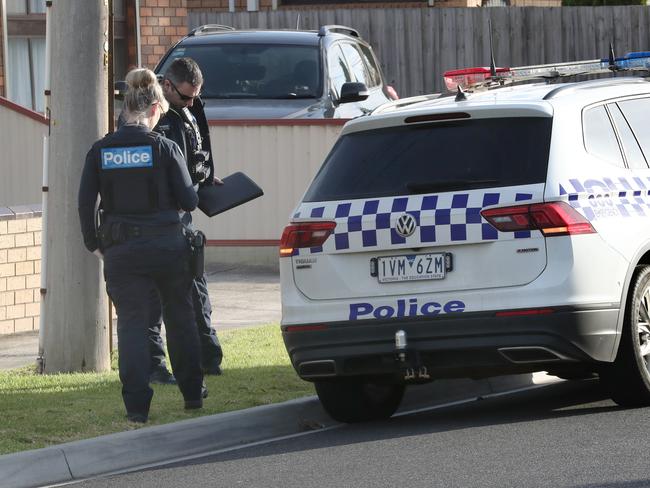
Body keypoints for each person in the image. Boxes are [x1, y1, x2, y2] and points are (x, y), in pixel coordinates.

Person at [78, 68, 205, 423]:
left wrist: (94, 245)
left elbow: (84, 202)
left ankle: (136, 409)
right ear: (153, 109)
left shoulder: (101, 150)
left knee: (132, 324)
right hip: (168, 247)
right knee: (180, 318)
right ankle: (192, 395)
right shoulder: (165, 147)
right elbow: (189, 201)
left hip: (122, 251)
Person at [147, 57, 224, 384]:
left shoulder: (187, 111)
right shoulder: (162, 122)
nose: (191, 102)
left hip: (184, 214)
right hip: (168, 218)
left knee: (196, 290)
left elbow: (193, 157)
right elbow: (169, 176)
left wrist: (206, 178)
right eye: (185, 97)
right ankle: (164, 365)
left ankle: (208, 357)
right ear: (166, 86)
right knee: (167, 297)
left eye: (195, 96)